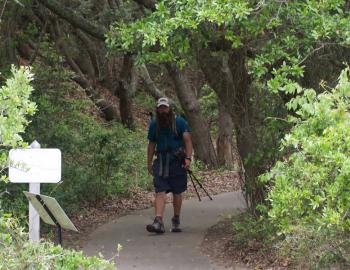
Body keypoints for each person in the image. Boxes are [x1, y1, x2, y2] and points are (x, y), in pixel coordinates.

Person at [146, 97, 193, 234]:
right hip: (161, 161)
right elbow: (151, 145)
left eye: (165, 108)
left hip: (177, 161)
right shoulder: (155, 125)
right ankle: (158, 221)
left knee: (177, 191)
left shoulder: (180, 122)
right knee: (160, 190)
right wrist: (149, 163)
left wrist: (188, 158)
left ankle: (176, 218)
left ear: (169, 108)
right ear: (157, 109)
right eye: (160, 108)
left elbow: (188, 141)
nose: (163, 111)